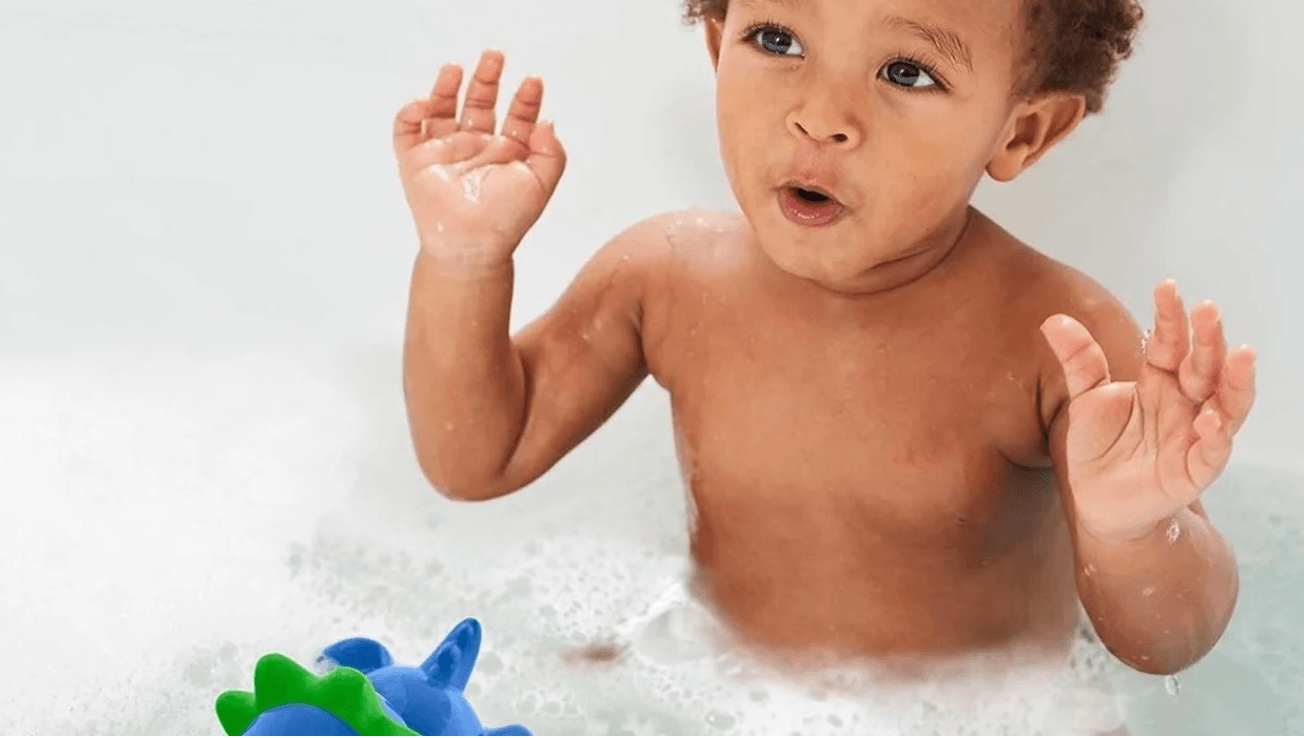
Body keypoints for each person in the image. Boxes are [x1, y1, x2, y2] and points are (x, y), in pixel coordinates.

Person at [393, 0, 1258, 679]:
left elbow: (1166, 643)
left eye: (907, 72)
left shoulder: (1057, 341)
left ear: (1020, 130)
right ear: (716, 40)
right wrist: (465, 262)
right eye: (777, 38)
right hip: (711, 683)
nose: (822, 115)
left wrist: (1131, 530)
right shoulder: (663, 277)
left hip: (982, 716)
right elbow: (477, 458)